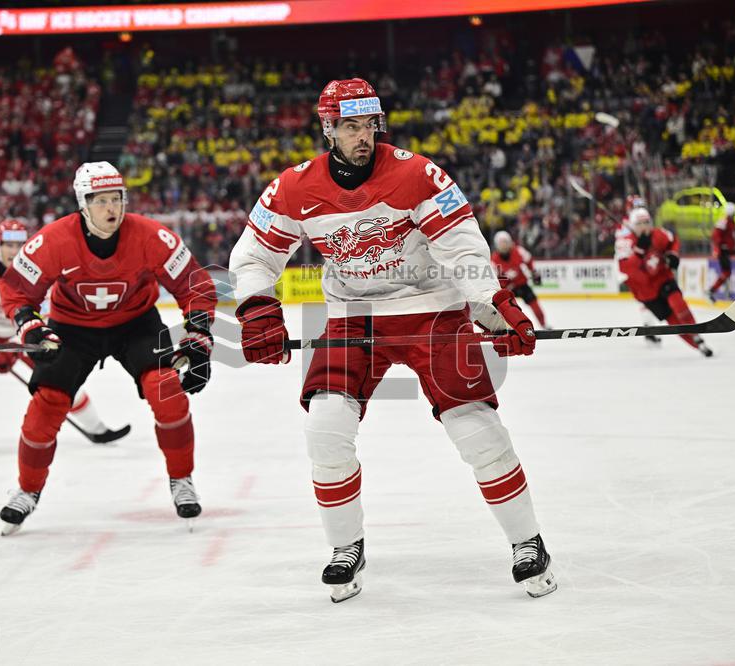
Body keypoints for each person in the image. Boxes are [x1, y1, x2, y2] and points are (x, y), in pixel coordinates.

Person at [229, 78, 555, 603]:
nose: (364, 137)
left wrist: (489, 306)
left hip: (431, 309)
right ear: (328, 128)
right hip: (353, 315)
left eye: (370, 125)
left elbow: (462, 244)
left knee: (474, 425)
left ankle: (528, 542)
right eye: (352, 126)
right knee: (326, 428)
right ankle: (344, 548)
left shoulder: (415, 172)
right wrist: (257, 308)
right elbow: (253, 255)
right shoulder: (294, 187)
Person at [0, 162, 218, 535]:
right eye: (101, 201)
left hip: (136, 324)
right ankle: (27, 490)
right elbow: (17, 288)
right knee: (46, 405)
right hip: (72, 328)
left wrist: (199, 337)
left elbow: (193, 284)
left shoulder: (151, 236)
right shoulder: (53, 240)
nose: (111, 208)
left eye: (117, 198)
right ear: (83, 204)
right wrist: (29, 324)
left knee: (168, 393)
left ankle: (182, 480)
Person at [0, 219, 125, 451]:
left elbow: (50, 309)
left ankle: (96, 427)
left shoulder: (39, 270)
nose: (14, 252)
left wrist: (16, 345)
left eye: (19, 245)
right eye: (8, 245)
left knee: (60, 378)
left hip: (24, 337)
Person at [616, 208, 713, 357]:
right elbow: (626, 268)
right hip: (645, 292)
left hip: (662, 279)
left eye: (646, 222)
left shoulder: (658, 234)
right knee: (673, 321)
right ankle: (697, 345)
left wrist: (672, 254)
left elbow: (673, 241)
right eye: (640, 223)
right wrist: (639, 252)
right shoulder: (625, 243)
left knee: (678, 303)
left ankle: (696, 334)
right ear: (633, 225)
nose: (644, 226)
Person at [490, 230, 548, 328]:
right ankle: (509, 327)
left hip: (521, 284)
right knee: (507, 309)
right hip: (507, 288)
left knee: (534, 303)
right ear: (497, 245)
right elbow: (494, 278)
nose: (504, 245)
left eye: (505, 242)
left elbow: (529, 260)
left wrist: (534, 273)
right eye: (501, 243)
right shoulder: (494, 260)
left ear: (510, 242)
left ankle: (544, 324)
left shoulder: (519, 250)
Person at [707, 202, 735, 303]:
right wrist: (718, 248)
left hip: (727, 250)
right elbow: (715, 236)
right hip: (723, 251)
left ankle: (720, 291)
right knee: (726, 272)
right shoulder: (724, 222)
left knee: (727, 272)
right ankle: (713, 290)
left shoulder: (730, 222)